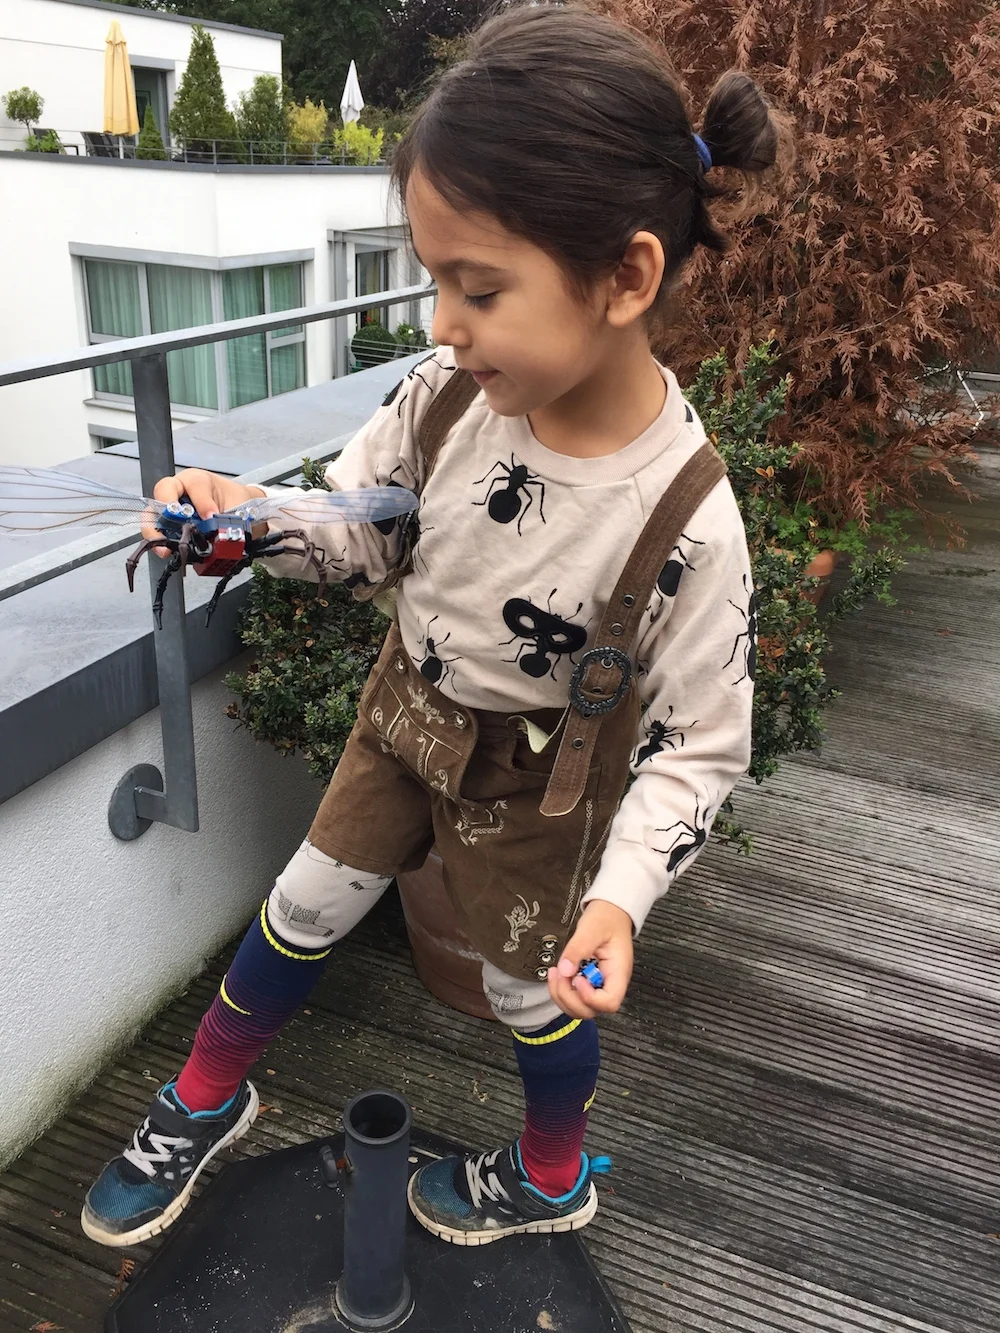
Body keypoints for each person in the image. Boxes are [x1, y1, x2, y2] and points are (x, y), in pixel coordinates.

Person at [82, 2, 777, 1250]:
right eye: (434, 281)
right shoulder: (447, 398)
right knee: (302, 902)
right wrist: (248, 522)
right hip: (401, 712)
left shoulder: (685, 519)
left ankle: (551, 1171)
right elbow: (364, 533)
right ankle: (204, 1094)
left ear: (626, 277)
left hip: (535, 781)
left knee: (526, 990)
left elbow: (700, 743)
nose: (442, 324)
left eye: (479, 287)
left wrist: (620, 899)